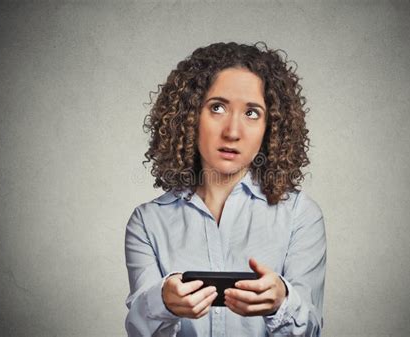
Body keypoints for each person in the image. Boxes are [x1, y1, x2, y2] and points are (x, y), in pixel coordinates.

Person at [124, 42, 327, 337]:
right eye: (217, 107)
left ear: (271, 127)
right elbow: (141, 333)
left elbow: (311, 331)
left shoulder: (301, 215)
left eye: (252, 113)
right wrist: (163, 302)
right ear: (189, 116)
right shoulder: (147, 223)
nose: (232, 131)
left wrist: (281, 302)